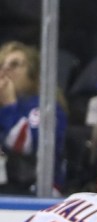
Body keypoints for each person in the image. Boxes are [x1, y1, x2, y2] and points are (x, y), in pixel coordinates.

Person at [0, 41, 68, 195]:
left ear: (33, 74)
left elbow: (24, 145)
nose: (5, 70)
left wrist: (9, 103)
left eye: (15, 64)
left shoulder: (46, 107)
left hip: (39, 190)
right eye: (2, 65)